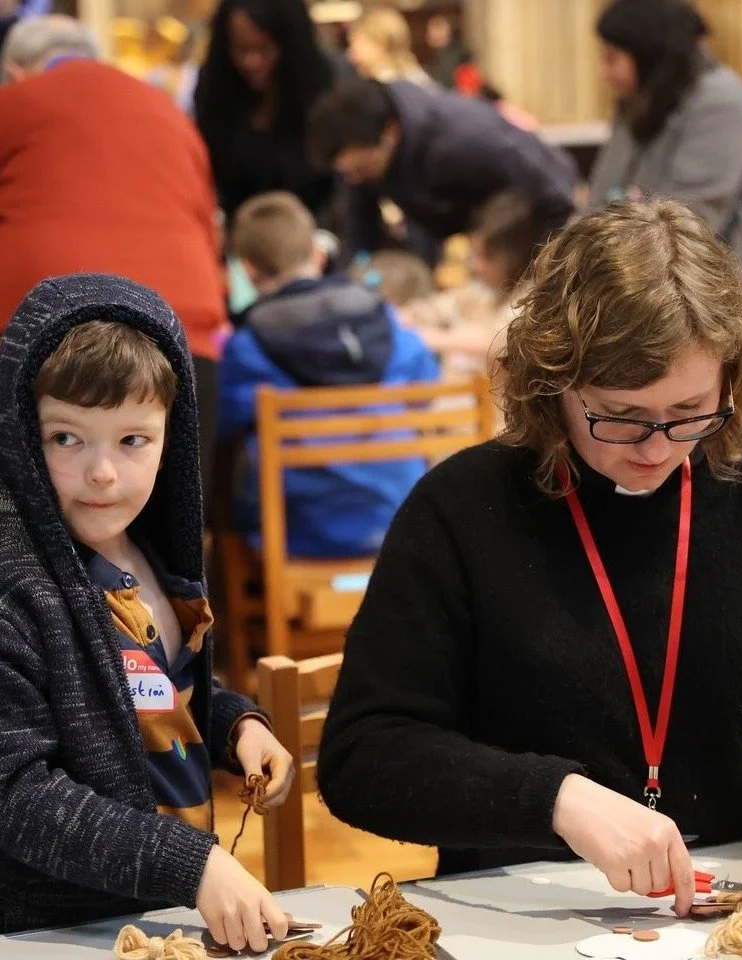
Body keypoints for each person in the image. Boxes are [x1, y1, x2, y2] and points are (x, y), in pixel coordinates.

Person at [318, 198, 742, 916]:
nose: (655, 447)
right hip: (529, 916)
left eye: (688, 413)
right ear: (552, 382)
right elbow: (362, 755)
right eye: (619, 416)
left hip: (735, 910)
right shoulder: (462, 510)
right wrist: (555, 799)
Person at [0, 273, 295, 949]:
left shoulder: (151, 561)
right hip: (51, 929)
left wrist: (232, 725)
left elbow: (155, 687)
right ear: (21, 433)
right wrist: (191, 866)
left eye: (132, 441)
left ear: (173, 436)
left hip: (158, 915)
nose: (102, 473)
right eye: (67, 439)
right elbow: (16, 794)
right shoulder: (17, 589)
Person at [0, 15, 226, 508]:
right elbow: (208, 223)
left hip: (50, 332)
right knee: (179, 523)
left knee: (33, 527)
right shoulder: (168, 112)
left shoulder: (16, 101)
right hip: (187, 329)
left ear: (17, 70)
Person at [217, 191, 439, 558]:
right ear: (317, 254)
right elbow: (426, 388)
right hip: (402, 520)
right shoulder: (384, 319)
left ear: (249, 268)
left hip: (299, 534)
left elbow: (220, 426)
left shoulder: (249, 346)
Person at [589, 0, 742, 303]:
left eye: (612, 57)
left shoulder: (721, 102)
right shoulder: (643, 97)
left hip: (721, 297)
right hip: (648, 280)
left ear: (647, 53)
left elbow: (689, 222)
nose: (603, 70)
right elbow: (600, 197)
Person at [308, 76, 577, 264]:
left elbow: (552, 194)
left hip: (533, 218)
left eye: (361, 169)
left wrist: (550, 269)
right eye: (347, 173)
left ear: (391, 133)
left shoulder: (465, 138)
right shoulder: (360, 150)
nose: (355, 179)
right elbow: (359, 232)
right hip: (467, 235)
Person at [194, 0, 338, 222]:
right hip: (239, 236)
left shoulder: (324, 86)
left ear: (288, 44)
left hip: (312, 232)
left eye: (264, 48)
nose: (251, 62)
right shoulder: (214, 87)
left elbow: (339, 186)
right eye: (240, 49)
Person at [399, 191, 546, 377]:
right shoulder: (481, 291)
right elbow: (437, 307)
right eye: (475, 254)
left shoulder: (534, 299)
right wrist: (405, 317)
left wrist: (428, 337)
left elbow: (500, 344)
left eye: (487, 256)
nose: (475, 265)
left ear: (514, 256)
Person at [347, 7, 432, 86]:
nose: (351, 53)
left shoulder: (405, 84)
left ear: (381, 44)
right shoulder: (416, 77)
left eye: (360, 43)